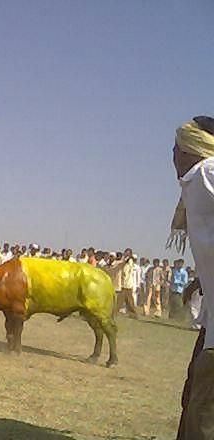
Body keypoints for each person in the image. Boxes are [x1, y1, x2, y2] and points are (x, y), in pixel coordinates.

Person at [170, 116, 214, 440]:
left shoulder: (207, 172)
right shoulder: (196, 182)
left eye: (176, 146)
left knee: (203, 414)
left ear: (190, 149)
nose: (172, 154)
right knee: (194, 397)